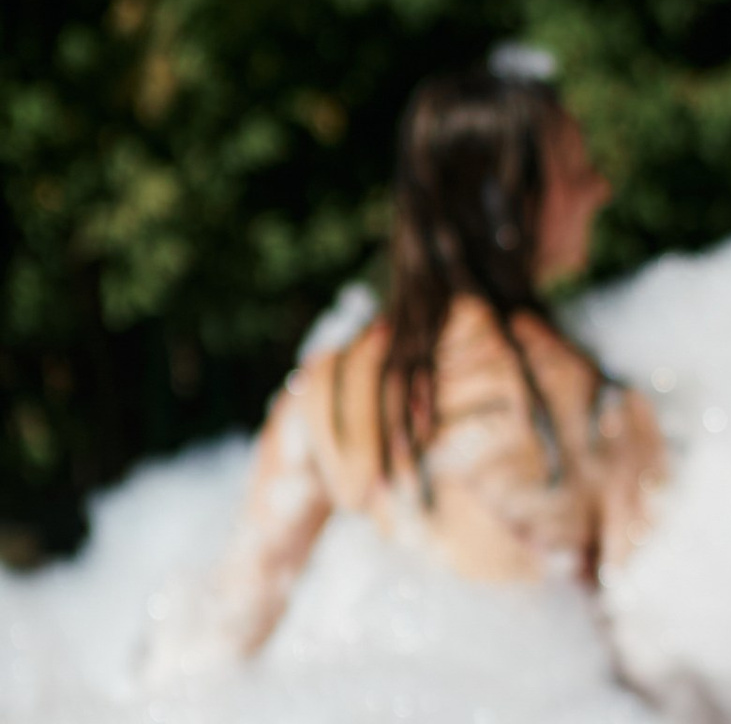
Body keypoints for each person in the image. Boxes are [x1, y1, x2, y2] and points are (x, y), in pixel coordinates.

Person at [170, 52, 663, 666]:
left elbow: (224, 629)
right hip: (552, 707)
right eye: (576, 171)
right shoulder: (594, 403)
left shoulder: (333, 389)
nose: (600, 189)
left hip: (390, 710)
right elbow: (653, 640)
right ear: (511, 203)